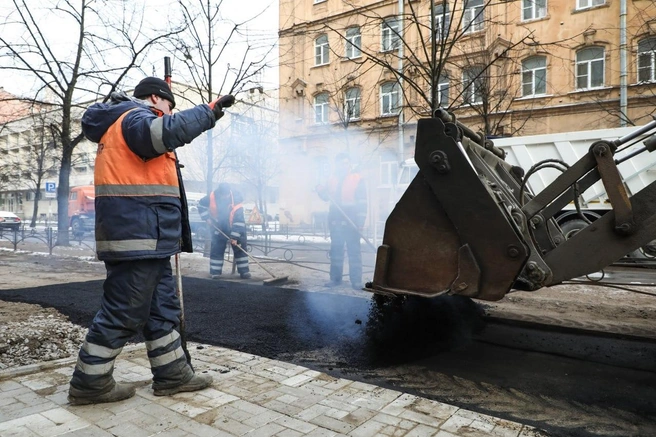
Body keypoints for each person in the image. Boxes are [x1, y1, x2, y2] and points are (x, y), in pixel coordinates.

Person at [68, 77, 234, 405]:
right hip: (137, 237)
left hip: (148, 237)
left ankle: (173, 374)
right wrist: (208, 112)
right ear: (157, 99)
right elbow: (162, 133)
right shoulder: (134, 117)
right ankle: (90, 382)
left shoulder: (124, 123)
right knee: (124, 311)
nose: (168, 115)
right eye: (169, 108)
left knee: (162, 310)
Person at [316, 153, 368, 290]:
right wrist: (320, 189)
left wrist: (361, 221)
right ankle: (335, 279)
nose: (343, 166)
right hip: (335, 222)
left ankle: (356, 281)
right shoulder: (331, 180)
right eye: (340, 163)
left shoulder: (357, 179)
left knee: (354, 253)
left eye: (346, 163)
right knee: (336, 252)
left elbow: (363, 202)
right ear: (337, 164)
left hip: (352, 222)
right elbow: (326, 197)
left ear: (349, 164)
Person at [197, 183, 251, 279]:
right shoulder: (212, 197)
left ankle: (244, 272)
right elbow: (200, 205)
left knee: (240, 249)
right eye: (223, 195)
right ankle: (215, 272)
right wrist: (206, 218)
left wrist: (234, 238)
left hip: (235, 227)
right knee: (216, 249)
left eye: (226, 195)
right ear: (220, 193)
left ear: (229, 193)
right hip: (218, 227)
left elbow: (238, 222)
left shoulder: (237, 200)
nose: (225, 197)